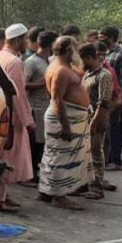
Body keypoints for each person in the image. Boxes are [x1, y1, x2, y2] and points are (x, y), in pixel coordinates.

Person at [38, 36, 91, 211]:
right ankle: (59, 195)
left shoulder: (64, 67)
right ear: (69, 50)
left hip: (69, 117)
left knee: (54, 155)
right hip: (64, 119)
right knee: (61, 158)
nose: (78, 51)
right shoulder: (60, 69)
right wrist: (65, 126)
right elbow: (56, 99)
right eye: (76, 48)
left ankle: (47, 191)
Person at [0, 24, 35, 212]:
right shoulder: (15, 62)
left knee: (2, 156)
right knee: (8, 158)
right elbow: (18, 95)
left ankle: (0, 196)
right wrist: (28, 120)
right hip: (12, 116)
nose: (26, 43)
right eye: (24, 39)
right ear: (17, 40)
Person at [79, 44, 115, 200]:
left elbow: (104, 101)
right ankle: (84, 184)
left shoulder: (104, 75)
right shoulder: (87, 73)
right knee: (84, 153)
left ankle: (97, 186)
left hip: (98, 119)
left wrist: (94, 121)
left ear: (88, 58)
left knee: (95, 152)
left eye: (82, 60)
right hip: (86, 117)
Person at [23, 30, 57, 186]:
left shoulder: (49, 61)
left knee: (42, 143)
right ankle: (29, 175)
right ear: (51, 44)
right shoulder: (32, 62)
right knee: (34, 144)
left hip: (46, 107)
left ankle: (37, 172)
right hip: (35, 108)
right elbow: (23, 85)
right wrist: (44, 84)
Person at [100, 26, 122, 171]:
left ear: (111, 37)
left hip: (114, 97)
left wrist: (121, 98)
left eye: (103, 35)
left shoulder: (121, 53)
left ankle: (116, 160)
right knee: (104, 128)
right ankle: (105, 158)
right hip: (101, 96)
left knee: (113, 128)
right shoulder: (102, 51)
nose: (100, 37)